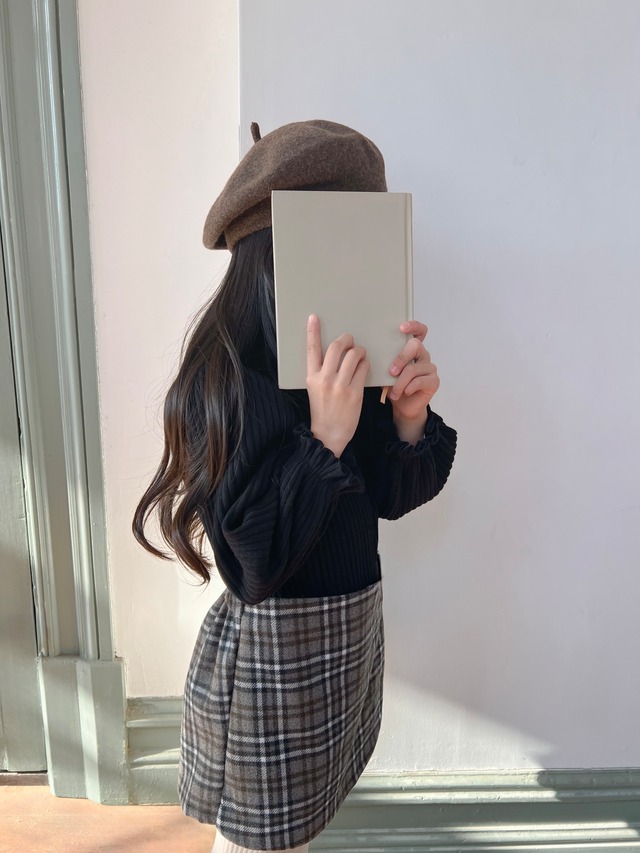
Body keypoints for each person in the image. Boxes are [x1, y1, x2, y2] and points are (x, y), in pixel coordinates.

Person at [133, 119, 457, 853]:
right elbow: (250, 564)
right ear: (277, 257)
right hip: (273, 662)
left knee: (300, 829)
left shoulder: (352, 367)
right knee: (262, 841)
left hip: (345, 640)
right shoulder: (227, 384)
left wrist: (408, 420)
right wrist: (323, 438)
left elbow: (390, 497)